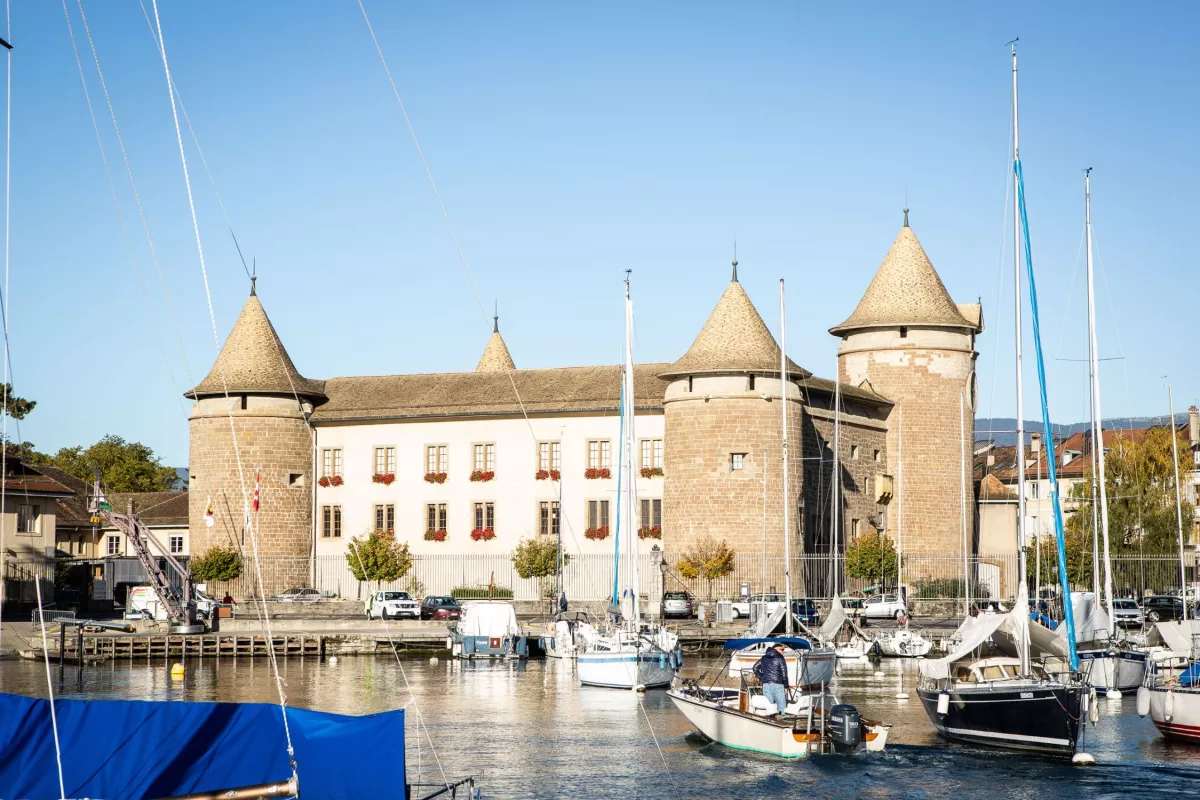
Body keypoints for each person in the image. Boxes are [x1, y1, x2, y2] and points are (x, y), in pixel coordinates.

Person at [753, 642, 790, 715]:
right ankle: (781, 723)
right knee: (781, 709)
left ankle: (770, 724)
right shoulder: (780, 658)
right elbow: (784, 673)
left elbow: (754, 668)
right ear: (775, 649)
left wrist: (762, 677)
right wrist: (786, 686)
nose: (783, 651)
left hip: (766, 685)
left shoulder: (764, 658)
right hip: (778, 685)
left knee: (769, 708)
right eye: (781, 649)